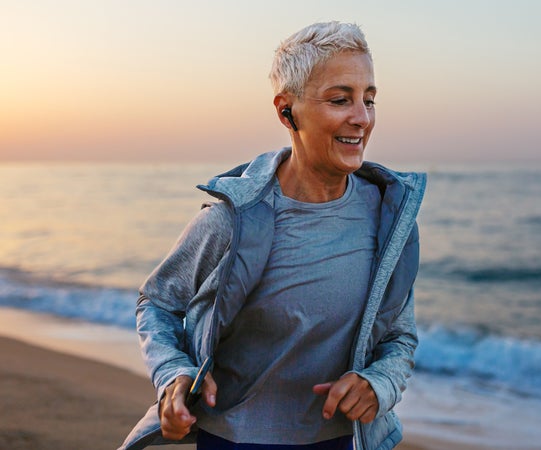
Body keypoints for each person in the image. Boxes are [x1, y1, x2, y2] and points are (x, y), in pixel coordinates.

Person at [120, 21, 426, 450]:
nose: (361, 118)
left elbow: (399, 334)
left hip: (340, 441)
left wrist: (378, 384)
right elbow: (157, 303)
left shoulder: (389, 219)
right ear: (287, 111)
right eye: (341, 99)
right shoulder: (236, 218)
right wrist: (174, 376)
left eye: (369, 100)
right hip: (234, 439)